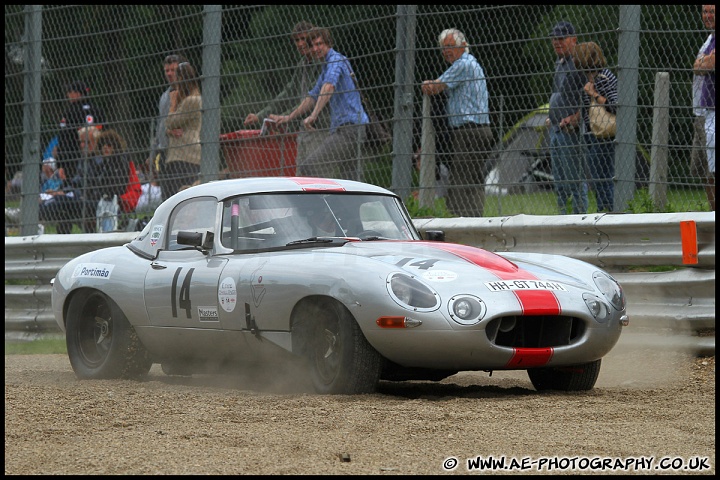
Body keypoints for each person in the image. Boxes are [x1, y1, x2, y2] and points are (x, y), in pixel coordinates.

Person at [272, 27, 369, 180]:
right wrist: (288, 117)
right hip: (345, 129)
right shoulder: (326, 66)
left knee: (310, 167)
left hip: (350, 129)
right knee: (351, 181)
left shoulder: (335, 60)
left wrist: (313, 115)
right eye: (313, 45)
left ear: (328, 43)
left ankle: (323, 202)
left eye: (319, 44)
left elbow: (329, 86)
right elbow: (312, 97)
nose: (316, 48)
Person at [421, 28, 493, 217]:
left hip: (468, 130)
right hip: (480, 129)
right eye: (443, 48)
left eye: (451, 46)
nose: (446, 51)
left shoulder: (463, 65)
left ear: (463, 46)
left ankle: (461, 219)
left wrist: (426, 84)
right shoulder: (471, 64)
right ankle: (475, 218)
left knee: (460, 178)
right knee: (473, 177)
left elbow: (435, 87)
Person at [245, 22, 330, 175]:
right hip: (304, 128)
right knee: (301, 175)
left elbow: (312, 99)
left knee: (317, 175)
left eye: (303, 39)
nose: (300, 44)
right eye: (296, 40)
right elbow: (288, 93)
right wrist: (260, 115)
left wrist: (287, 117)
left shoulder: (322, 63)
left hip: (321, 127)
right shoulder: (303, 64)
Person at [546, 21, 588, 214]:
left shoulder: (579, 62)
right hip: (555, 128)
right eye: (555, 38)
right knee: (560, 183)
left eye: (561, 38)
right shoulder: (559, 63)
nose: (557, 42)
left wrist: (575, 117)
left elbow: (587, 95)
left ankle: (579, 220)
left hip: (570, 130)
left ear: (573, 39)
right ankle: (563, 220)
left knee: (575, 180)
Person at [573, 41, 618, 213]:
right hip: (591, 134)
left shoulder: (604, 78)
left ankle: (610, 212)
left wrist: (594, 94)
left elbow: (615, 105)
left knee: (603, 178)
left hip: (603, 135)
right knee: (598, 178)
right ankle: (603, 210)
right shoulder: (589, 78)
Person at [162, 61, 202, 200]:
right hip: (180, 155)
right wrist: (170, 131)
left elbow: (170, 121)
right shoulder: (188, 100)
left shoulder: (191, 100)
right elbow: (168, 127)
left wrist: (172, 104)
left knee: (177, 198)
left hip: (184, 155)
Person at [146, 53, 187, 190]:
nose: (169, 74)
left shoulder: (189, 95)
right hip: (164, 152)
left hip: (182, 153)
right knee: (166, 193)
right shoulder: (164, 96)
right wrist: (152, 154)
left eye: (173, 70)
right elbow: (160, 127)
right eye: (167, 70)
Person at [56, 81, 105, 183]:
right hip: (97, 154)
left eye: (70, 91)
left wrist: (61, 163)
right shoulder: (98, 109)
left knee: (72, 185)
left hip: (73, 155)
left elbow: (64, 138)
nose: (68, 95)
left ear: (78, 93)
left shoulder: (71, 111)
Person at [693, 5, 715, 211]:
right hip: (702, 110)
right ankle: (712, 212)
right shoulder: (709, 39)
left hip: (712, 112)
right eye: (705, 11)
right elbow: (697, 66)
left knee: (713, 169)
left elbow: (708, 65)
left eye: (713, 12)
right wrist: (703, 63)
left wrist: (704, 63)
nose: (707, 16)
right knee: (704, 169)